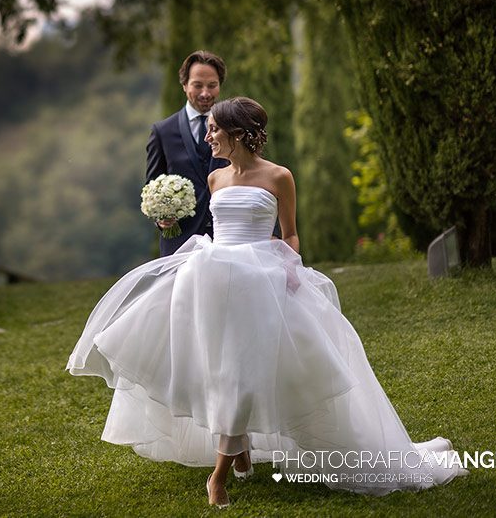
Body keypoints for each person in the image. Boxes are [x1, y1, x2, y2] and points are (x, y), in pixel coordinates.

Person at [67, 97, 466, 508]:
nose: (208, 136)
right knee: (217, 370)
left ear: (237, 134)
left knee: (242, 375)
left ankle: (219, 476)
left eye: (215, 130)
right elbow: (214, 228)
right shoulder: (215, 179)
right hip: (211, 282)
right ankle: (239, 454)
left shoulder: (279, 176)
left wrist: (290, 267)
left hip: (261, 282)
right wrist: (169, 217)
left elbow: (290, 234)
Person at [147, 50, 230, 255]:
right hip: (180, 243)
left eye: (212, 85)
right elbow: (152, 186)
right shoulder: (162, 132)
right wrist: (161, 218)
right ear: (184, 85)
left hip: (227, 239)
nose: (205, 93)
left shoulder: (234, 126)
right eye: (197, 85)